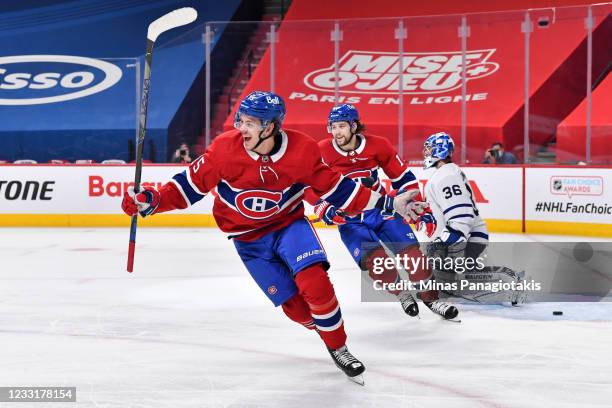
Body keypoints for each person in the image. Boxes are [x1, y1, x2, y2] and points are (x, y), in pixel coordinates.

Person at [121, 91, 421, 384]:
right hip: (248, 240)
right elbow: (187, 187)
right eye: (240, 120)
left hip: (289, 226)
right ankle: (323, 329)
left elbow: (338, 189)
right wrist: (152, 200)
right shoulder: (224, 150)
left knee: (314, 282)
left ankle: (338, 346)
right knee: (297, 309)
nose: (241, 128)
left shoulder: (302, 150)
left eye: (250, 123)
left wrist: (388, 203)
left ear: (271, 127)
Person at [307, 104, 459, 321]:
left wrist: (411, 202)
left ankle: (432, 299)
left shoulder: (378, 145)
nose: (336, 132)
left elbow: (404, 179)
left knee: (414, 257)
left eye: (341, 126)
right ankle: (402, 293)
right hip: (350, 220)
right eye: (332, 127)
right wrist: (321, 205)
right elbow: (306, 184)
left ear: (354, 126)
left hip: (382, 211)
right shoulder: (321, 150)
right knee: (377, 264)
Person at [423, 132, 526, 305]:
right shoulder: (447, 173)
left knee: (468, 279)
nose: (426, 152)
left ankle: (511, 279)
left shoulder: (446, 176)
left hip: (465, 237)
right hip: (464, 236)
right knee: (447, 283)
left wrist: (444, 242)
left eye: (429, 148)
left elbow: (461, 216)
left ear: (439, 150)